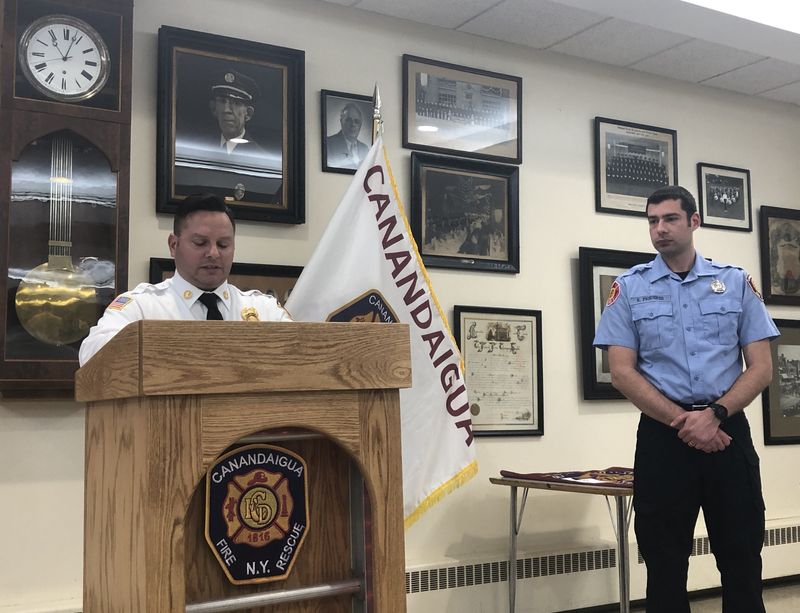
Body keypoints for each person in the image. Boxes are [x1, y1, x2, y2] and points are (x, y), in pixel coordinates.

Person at [593, 185, 778, 613]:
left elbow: (762, 368)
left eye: (670, 219)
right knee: (664, 562)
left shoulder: (734, 283)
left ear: (694, 221)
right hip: (664, 438)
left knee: (742, 557)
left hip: (727, 433)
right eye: (652, 221)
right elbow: (622, 372)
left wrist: (714, 414)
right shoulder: (630, 288)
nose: (660, 229)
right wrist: (686, 421)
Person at [79, 194, 292, 365]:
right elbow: (91, 355)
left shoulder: (264, 309)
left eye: (224, 245)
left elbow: (304, 354)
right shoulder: (142, 307)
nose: (213, 253)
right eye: (200, 243)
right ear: (173, 245)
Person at [209, 70, 266, 156]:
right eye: (222, 101)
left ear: (248, 114)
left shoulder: (258, 157)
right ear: (214, 109)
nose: (226, 110)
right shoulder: (198, 146)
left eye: (236, 103)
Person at [326, 102, 369, 169]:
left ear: (360, 125)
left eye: (356, 121)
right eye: (349, 120)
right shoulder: (328, 144)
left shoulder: (365, 149)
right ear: (341, 121)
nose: (353, 124)